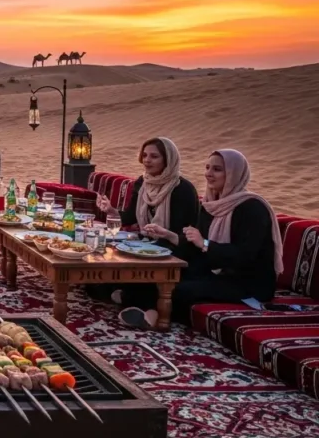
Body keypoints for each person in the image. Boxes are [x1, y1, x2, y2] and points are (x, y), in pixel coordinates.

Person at [119, 149, 283, 330]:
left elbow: (245, 255)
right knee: (157, 276)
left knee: (179, 290)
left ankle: (151, 315)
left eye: (217, 169)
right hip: (214, 271)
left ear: (235, 174)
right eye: (207, 168)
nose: (209, 174)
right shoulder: (211, 205)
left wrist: (204, 243)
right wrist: (168, 235)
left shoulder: (253, 208)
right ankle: (136, 303)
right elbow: (195, 244)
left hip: (246, 282)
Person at [92, 137, 200, 306]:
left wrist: (162, 235)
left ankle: (132, 299)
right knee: (95, 280)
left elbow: (184, 234)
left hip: (174, 249)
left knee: (129, 287)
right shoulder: (143, 182)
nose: (147, 161)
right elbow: (130, 217)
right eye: (145, 155)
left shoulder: (182, 189)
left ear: (168, 159)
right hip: (146, 244)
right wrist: (111, 210)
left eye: (154, 156)